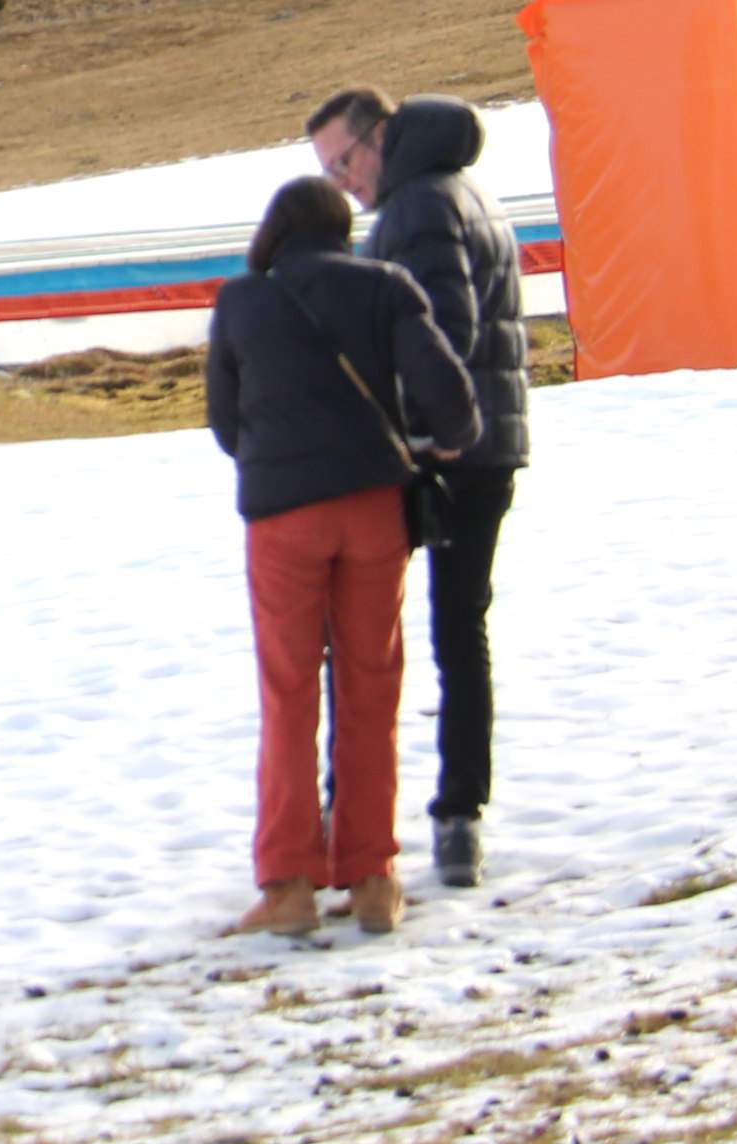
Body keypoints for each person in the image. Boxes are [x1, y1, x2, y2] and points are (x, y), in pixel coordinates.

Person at [202, 175, 479, 939]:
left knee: (288, 694)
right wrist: (434, 439)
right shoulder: (385, 287)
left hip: (282, 519)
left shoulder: (242, 301)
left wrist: (275, 457)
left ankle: (288, 886)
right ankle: (371, 877)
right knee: (370, 689)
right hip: (371, 508)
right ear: (341, 229)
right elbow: (450, 399)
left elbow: (226, 424)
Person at [307, 84, 532, 891]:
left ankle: (348, 818)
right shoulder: (463, 190)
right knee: (459, 629)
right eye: (327, 171)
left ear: (379, 137)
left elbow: (440, 335)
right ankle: (459, 816)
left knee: (364, 637)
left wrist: (391, 433)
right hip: (494, 443)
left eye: (343, 161)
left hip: (438, 453)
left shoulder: (416, 206)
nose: (340, 182)